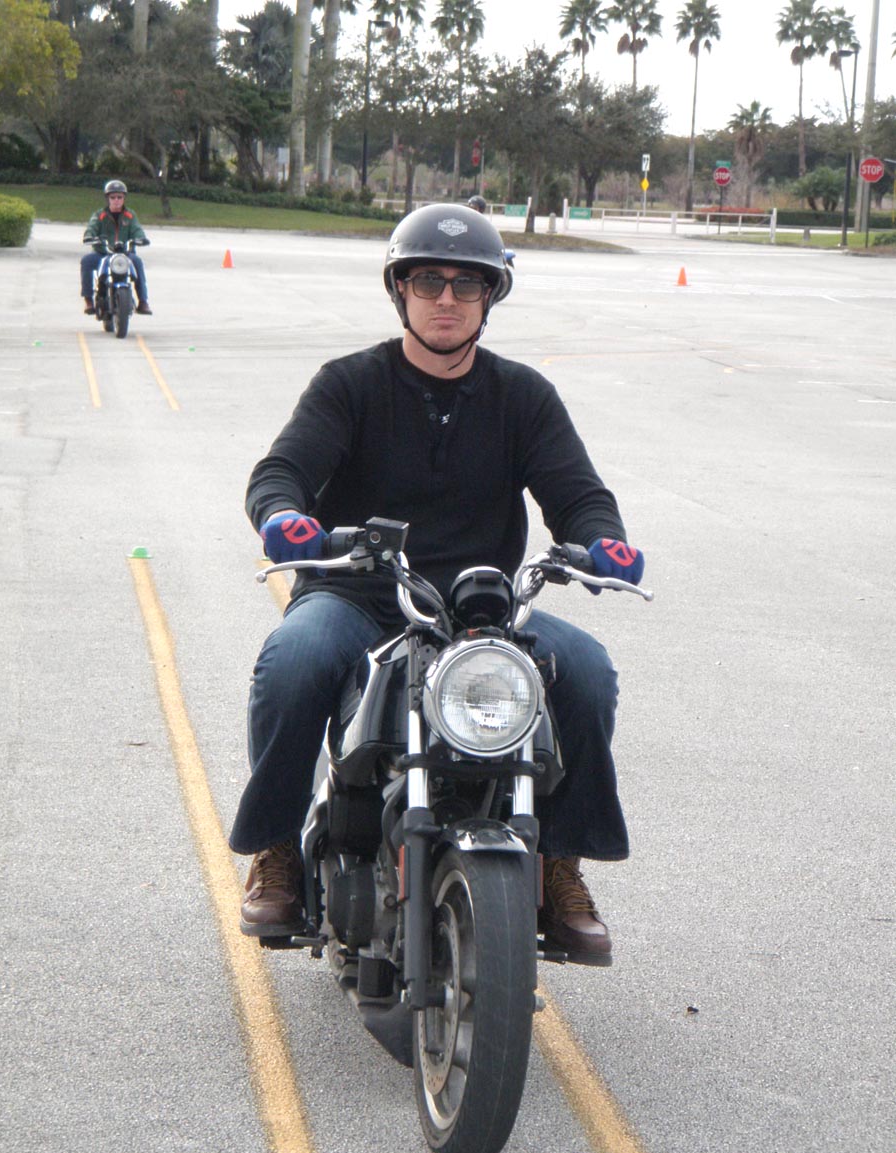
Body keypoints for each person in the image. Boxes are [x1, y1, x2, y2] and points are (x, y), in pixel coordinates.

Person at [231, 203, 645, 963]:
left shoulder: (523, 396)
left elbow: (578, 494)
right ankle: (277, 849)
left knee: (588, 671)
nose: (447, 299)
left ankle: (560, 864)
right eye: (428, 281)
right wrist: (283, 514)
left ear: (491, 297)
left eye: (467, 284)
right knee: (292, 660)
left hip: (478, 611)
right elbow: (283, 469)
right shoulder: (349, 384)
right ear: (400, 289)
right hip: (359, 596)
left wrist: (603, 542)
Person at [80, 180, 152, 316]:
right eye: (113, 197)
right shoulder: (100, 215)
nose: (116, 200)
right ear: (107, 198)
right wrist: (90, 236)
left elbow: (137, 230)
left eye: (120, 197)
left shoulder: (130, 215)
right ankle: (88, 300)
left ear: (124, 198)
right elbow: (91, 228)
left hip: (125, 254)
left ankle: (143, 302)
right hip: (103, 253)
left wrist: (141, 238)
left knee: (137, 262)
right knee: (86, 261)